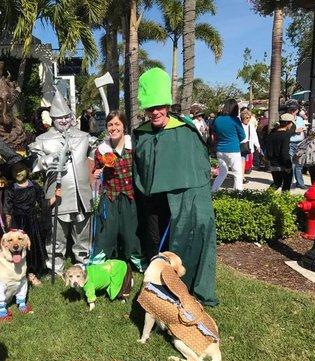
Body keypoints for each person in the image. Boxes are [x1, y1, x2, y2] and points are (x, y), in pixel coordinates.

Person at [133, 67, 218, 306]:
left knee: (180, 241)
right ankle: (157, 284)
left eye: (160, 106)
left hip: (180, 201)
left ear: (168, 106)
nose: (156, 112)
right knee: (154, 240)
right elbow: (139, 166)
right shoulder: (142, 133)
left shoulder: (185, 130)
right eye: (151, 108)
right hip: (153, 201)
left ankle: (181, 285)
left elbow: (197, 165)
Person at [29, 90, 97, 275]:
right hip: (57, 193)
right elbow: (34, 164)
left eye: (67, 117)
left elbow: (94, 155)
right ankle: (55, 266)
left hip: (82, 192)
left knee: (82, 231)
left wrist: (96, 168)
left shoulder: (83, 136)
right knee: (56, 234)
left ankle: (82, 261)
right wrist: (52, 159)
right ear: (52, 119)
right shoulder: (42, 140)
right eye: (60, 118)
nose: (64, 121)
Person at [91, 110, 144, 271]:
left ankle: (137, 259)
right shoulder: (101, 150)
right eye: (110, 125)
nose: (113, 128)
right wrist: (96, 172)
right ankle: (99, 258)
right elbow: (96, 169)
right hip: (110, 195)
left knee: (131, 230)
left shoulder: (133, 145)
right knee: (107, 229)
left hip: (130, 194)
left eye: (117, 124)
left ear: (124, 126)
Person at [4, 160, 61, 285]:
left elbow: (43, 203)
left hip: (32, 222)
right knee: (17, 247)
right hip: (17, 224)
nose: (17, 173)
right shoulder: (10, 189)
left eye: (20, 169)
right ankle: (20, 272)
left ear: (27, 170)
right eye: (14, 171)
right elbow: (7, 209)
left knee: (33, 247)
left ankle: (31, 272)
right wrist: (9, 227)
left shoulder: (34, 186)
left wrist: (55, 198)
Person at [211, 99, 246, 192]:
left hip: (220, 149)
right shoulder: (235, 120)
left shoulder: (217, 120)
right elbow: (243, 136)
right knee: (237, 173)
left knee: (222, 173)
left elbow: (214, 134)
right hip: (233, 149)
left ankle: (213, 191)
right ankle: (238, 195)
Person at [264, 113, 295, 191]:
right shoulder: (286, 135)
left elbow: (268, 149)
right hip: (283, 164)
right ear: (288, 123)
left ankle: (265, 196)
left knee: (276, 183)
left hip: (273, 163)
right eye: (291, 123)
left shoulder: (272, 133)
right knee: (286, 185)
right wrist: (288, 166)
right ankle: (284, 201)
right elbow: (284, 152)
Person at [286, 99, 307, 189]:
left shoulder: (300, 119)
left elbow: (303, 128)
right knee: (291, 164)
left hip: (300, 143)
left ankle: (300, 183)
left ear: (297, 110)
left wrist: (303, 130)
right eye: (291, 110)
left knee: (299, 164)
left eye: (294, 110)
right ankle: (290, 182)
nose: (292, 112)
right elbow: (284, 130)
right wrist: (294, 131)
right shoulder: (286, 118)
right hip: (291, 143)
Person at [240, 108, 261, 182]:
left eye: (249, 118)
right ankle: (241, 177)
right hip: (241, 146)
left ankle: (241, 177)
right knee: (241, 162)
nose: (249, 119)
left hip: (245, 146)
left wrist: (257, 145)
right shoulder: (240, 125)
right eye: (247, 118)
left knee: (242, 162)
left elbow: (254, 136)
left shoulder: (250, 126)